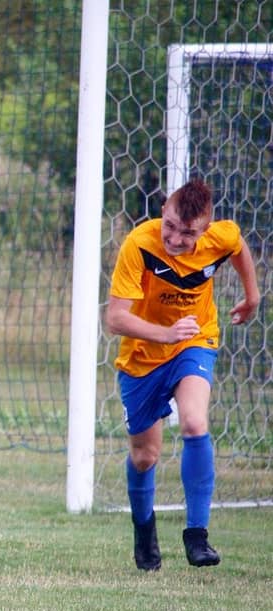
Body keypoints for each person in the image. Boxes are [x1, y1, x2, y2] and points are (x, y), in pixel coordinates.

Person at [105, 177, 260, 571]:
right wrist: (165, 334)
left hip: (195, 340)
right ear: (163, 211)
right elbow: (115, 319)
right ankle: (144, 530)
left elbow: (238, 246)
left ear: (204, 230)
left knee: (194, 422)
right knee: (145, 456)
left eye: (187, 233)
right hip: (143, 355)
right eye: (170, 226)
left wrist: (252, 296)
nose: (174, 238)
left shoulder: (219, 237)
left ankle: (197, 536)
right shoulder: (139, 244)